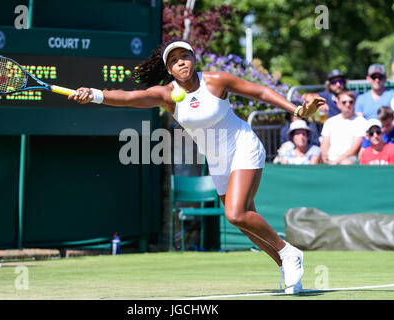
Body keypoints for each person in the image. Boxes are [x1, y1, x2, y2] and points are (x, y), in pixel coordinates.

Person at [68, 39, 326, 294]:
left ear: (193, 58)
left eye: (185, 56)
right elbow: (129, 97)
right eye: (173, 60)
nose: (181, 62)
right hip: (217, 160)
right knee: (244, 221)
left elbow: (259, 91)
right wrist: (94, 95)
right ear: (168, 69)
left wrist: (297, 110)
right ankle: (285, 265)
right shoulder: (167, 95)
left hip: (243, 147)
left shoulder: (216, 81)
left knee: (235, 214)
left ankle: (288, 252)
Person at [320, 90, 366, 165]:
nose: (347, 104)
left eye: (351, 102)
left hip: (349, 159)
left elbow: (354, 149)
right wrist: (325, 159)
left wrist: (335, 162)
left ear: (354, 103)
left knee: (345, 162)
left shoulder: (361, 122)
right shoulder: (330, 122)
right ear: (338, 104)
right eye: (344, 102)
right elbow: (324, 145)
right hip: (330, 159)